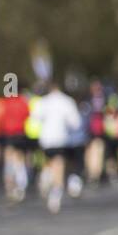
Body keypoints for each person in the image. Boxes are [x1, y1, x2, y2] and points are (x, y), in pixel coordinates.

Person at [30, 79, 82, 214]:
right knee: (58, 165)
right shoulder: (67, 101)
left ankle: (47, 178)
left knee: (50, 163)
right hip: (60, 138)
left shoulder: (43, 102)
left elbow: (35, 118)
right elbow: (75, 123)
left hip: (46, 139)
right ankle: (55, 192)